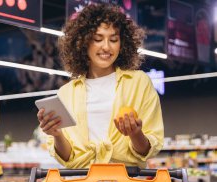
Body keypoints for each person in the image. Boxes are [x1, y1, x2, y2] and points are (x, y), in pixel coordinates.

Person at [37, 3, 164, 169]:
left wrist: (135, 134)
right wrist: (57, 135)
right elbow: (69, 158)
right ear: (83, 42)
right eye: (97, 39)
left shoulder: (139, 83)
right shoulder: (66, 93)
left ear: (122, 43)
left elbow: (148, 149)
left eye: (114, 39)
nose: (106, 47)